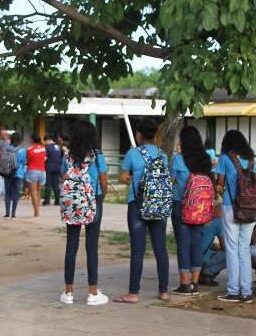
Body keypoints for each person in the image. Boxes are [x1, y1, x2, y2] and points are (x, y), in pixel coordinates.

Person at [114, 119, 170, 303]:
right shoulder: (163, 155)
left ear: (139, 135)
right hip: (159, 205)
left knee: (137, 250)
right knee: (160, 249)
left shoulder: (133, 153)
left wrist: (134, 178)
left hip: (137, 204)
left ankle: (133, 292)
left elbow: (123, 178)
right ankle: (164, 291)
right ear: (154, 135)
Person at [60, 122, 109, 306]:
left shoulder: (68, 155)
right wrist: (100, 198)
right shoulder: (97, 155)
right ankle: (92, 293)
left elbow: (63, 177)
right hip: (92, 201)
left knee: (71, 245)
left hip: (72, 203)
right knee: (92, 246)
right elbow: (104, 182)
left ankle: (68, 292)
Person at [170, 126, 214, 295]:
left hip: (180, 205)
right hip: (200, 207)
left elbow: (171, 181)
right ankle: (195, 283)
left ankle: (184, 283)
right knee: (196, 243)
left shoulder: (177, 160)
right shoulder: (205, 158)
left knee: (183, 244)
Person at [215, 130, 256, 303]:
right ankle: (247, 292)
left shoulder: (225, 159)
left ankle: (233, 291)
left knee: (232, 249)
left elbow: (220, 184)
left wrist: (217, 191)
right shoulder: (251, 159)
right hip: (251, 207)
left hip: (231, 206)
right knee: (244, 249)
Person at [198, 204, 226, 286]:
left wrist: (216, 247)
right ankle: (206, 274)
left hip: (192, 258)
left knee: (216, 251)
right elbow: (225, 247)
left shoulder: (201, 218)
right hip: (201, 259)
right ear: (214, 209)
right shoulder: (217, 222)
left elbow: (204, 240)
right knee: (231, 254)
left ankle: (203, 273)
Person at [3, 132, 26, 219]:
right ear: (20, 140)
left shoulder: (8, 148)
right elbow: (24, 162)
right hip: (18, 173)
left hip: (8, 173)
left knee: (7, 193)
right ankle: (13, 214)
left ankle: (7, 213)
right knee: (16, 193)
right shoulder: (23, 150)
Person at [25, 134, 46, 217]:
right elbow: (44, 158)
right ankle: (38, 211)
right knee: (38, 192)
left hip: (33, 170)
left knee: (33, 192)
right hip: (42, 171)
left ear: (32, 140)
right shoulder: (43, 148)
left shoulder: (29, 149)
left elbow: (28, 160)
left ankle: (36, 212)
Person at [43, 134, 63, 206]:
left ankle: (47, 201)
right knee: (56, 185)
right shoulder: (58, 147)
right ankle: (57, 201)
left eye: (45, 141)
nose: (45, 143)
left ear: (47, 140)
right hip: (58, 167)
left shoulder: (47, 147)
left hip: (50, 167)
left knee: (48, 184)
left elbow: (45, 158)